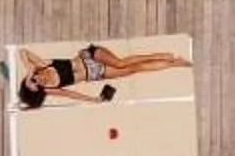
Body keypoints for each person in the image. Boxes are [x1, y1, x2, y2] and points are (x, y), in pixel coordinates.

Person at [14, 42, 188, 109]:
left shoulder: (41, 65)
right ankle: (173, 63)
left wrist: (30, 72)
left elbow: (23, 51)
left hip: (89, 56)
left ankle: (164, 56)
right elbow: (71, 94)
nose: (38, 80)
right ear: (39, 90)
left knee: (122, 62)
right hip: (95, 73)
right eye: (37, 84)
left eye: (33, 79)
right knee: (134, 69)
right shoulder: (49, 89)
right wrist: (93, 100)